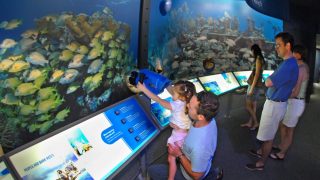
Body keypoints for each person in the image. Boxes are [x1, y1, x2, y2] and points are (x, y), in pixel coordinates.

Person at [246, 32, 299, 171]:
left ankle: (260, 163)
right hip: (277, 103)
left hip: (275, 105)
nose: (276, 48)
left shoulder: (288, 65)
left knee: (268, 137)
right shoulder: (289, 63)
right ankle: (261, 151)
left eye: (278, 45)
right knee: (267, 133)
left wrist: (270, 79)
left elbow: (269, 82)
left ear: (288, 45)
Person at [148, 91, 221, 180]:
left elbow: (197, 176)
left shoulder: (200, 146)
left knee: (152, 170)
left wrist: (179, 155)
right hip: (200, 160)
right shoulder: (210, 120)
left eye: (190, 107)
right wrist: (181, 128)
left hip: (189, 176)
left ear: (200, 117)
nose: (187, 106)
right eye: (189, 102)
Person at [137, 80, 196, 180]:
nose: (172, 94)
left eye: (174, 93)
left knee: (171, 158)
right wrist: (165, 83)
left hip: (177, 137)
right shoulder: (188, 102)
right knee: (174, 157)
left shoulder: (177, 104)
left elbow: (158, 99)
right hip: (185, 134)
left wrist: (144, 89)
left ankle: (171, 178)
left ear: (181, 96)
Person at [269, 44, 309, 160]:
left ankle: (282, 153)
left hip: (296, 102)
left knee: (289, 129)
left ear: (299, 55)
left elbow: (295, 92)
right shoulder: (299, 66)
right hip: (293, 102)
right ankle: (282, 145)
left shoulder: (301, 69)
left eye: (293, 52)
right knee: (283, 126)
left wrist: (280, 95)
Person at [241, 44, 265, 130]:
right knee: (253, 105)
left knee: (248, 106)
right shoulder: (261, 59)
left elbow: (257, 74)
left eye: (252, 50)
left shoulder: (258, 59)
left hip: (254, 85)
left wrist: (251, 88)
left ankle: (256, 122)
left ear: (254, 50)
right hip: (257, 85)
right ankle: (250, 122)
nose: (251, 52)